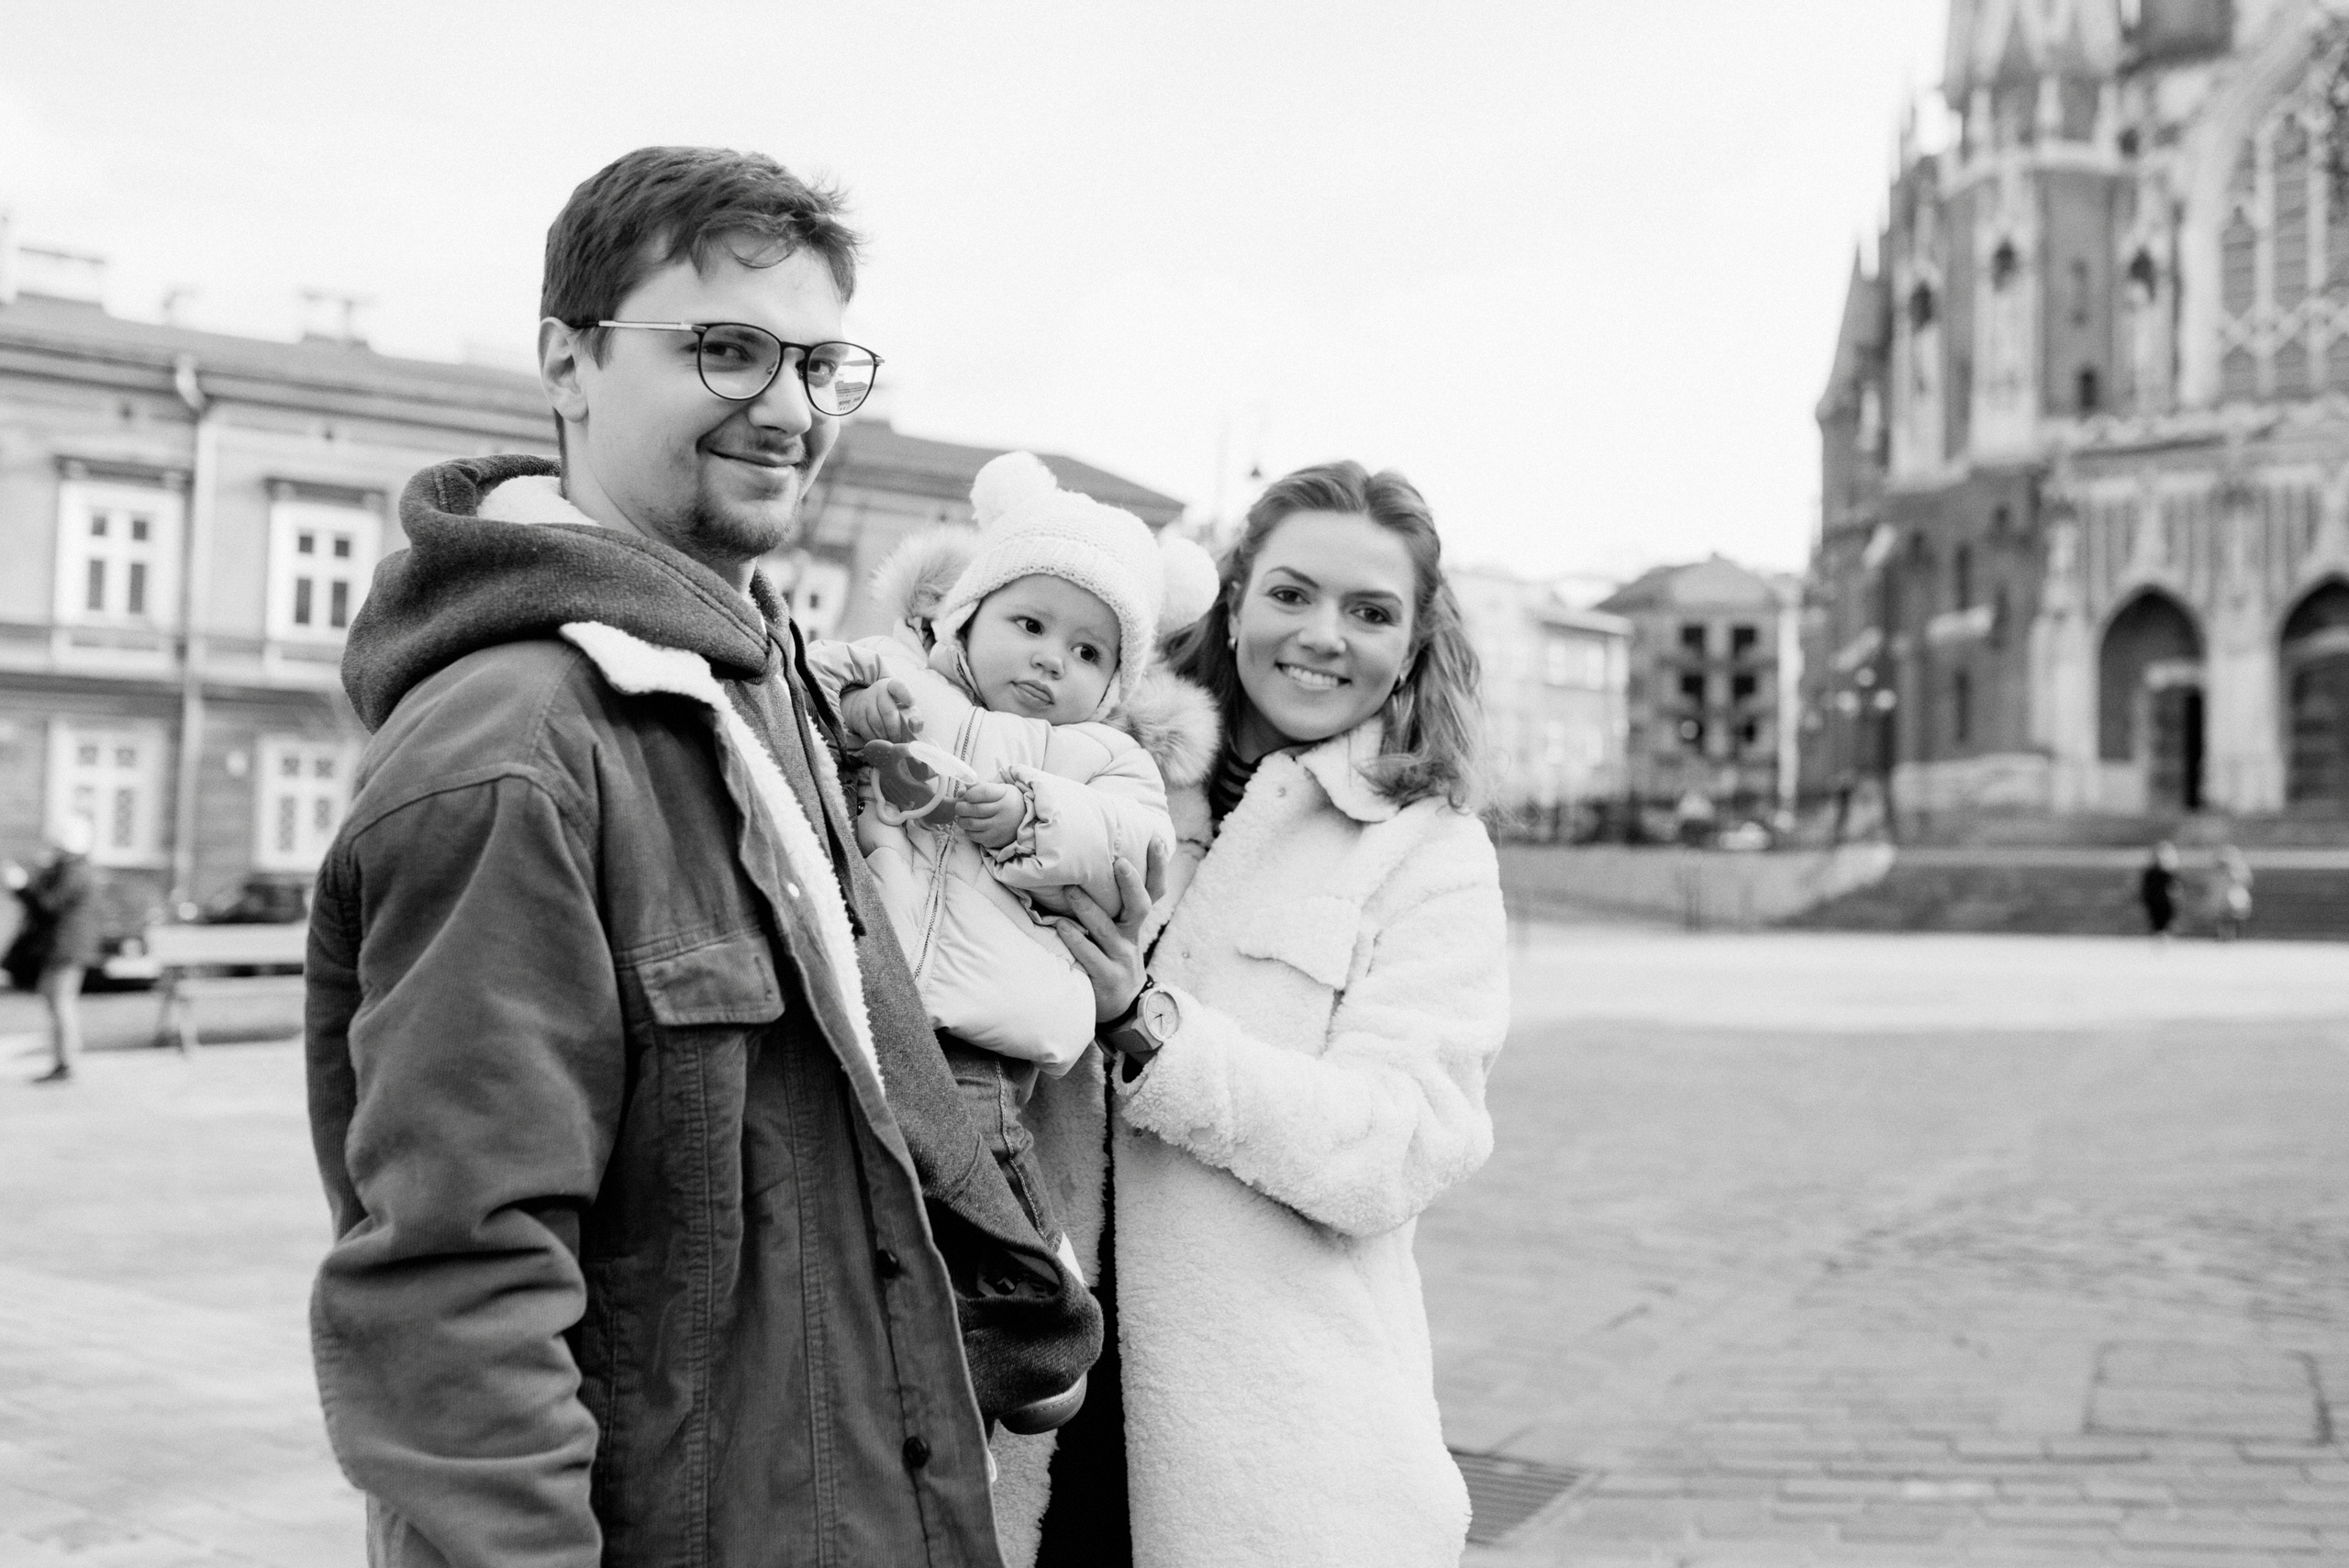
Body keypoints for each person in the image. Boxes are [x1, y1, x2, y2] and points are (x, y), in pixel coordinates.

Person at [304, 146, 1073, 1567]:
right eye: (725, 349)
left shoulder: (746, 682)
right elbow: (454, 1296)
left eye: (815, 361)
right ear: (569, 360)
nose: (786, 406)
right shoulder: (518, 741)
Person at [1000, 462, 1511, 1567]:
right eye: (1290, 593)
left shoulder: (1428, 850)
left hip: (1269, 1454)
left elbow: (1399, 1142)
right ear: (1232, 604)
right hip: (1030, 1405)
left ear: (1414, 644)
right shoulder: (1101, 774)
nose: (1322, 634)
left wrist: (1152, 1026)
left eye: (1370, 611)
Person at [807, 451, 1217, 1359]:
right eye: (1029, 622)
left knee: (976, 1152)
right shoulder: (898, 675)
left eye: (1086, 652)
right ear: (964, 617)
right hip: (869, 996)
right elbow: (792, 681)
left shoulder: (1101, 758)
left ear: (1114, 682)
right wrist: (855, 706)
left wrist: (1035, 809)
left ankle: (1042, 1303)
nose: (1049, 658)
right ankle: (916, 1336)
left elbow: (1135, 843)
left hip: (984, 1026)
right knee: (865, 1182)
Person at [5, 817, 99, 1084]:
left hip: (64, 950)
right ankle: (63, 1059)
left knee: (60, 1004)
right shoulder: (70, 869)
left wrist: (22, 887)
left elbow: (47, 906)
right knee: (55, 1001)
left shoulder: (74, 872)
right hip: (60, 948)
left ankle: (66, 1062)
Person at [2209, 843, 2254, 940]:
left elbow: (2247, 881)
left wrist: (2233, 875)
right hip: (2222, 897)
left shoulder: (2240, 867)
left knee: (2236, 916)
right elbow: (2214, 883)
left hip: (2235, 896)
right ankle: (2223, 935)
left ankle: (2237, 936)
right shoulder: (2218, 869)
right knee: (2223, 916)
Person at [2139, 839, 2182, 939]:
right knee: (2157, 921)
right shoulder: (2151, 873)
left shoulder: (2168, 872)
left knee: (2163, 921)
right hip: (2155, 899)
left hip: (2164, 900)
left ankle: (2162, 935)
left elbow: (2175, 887)